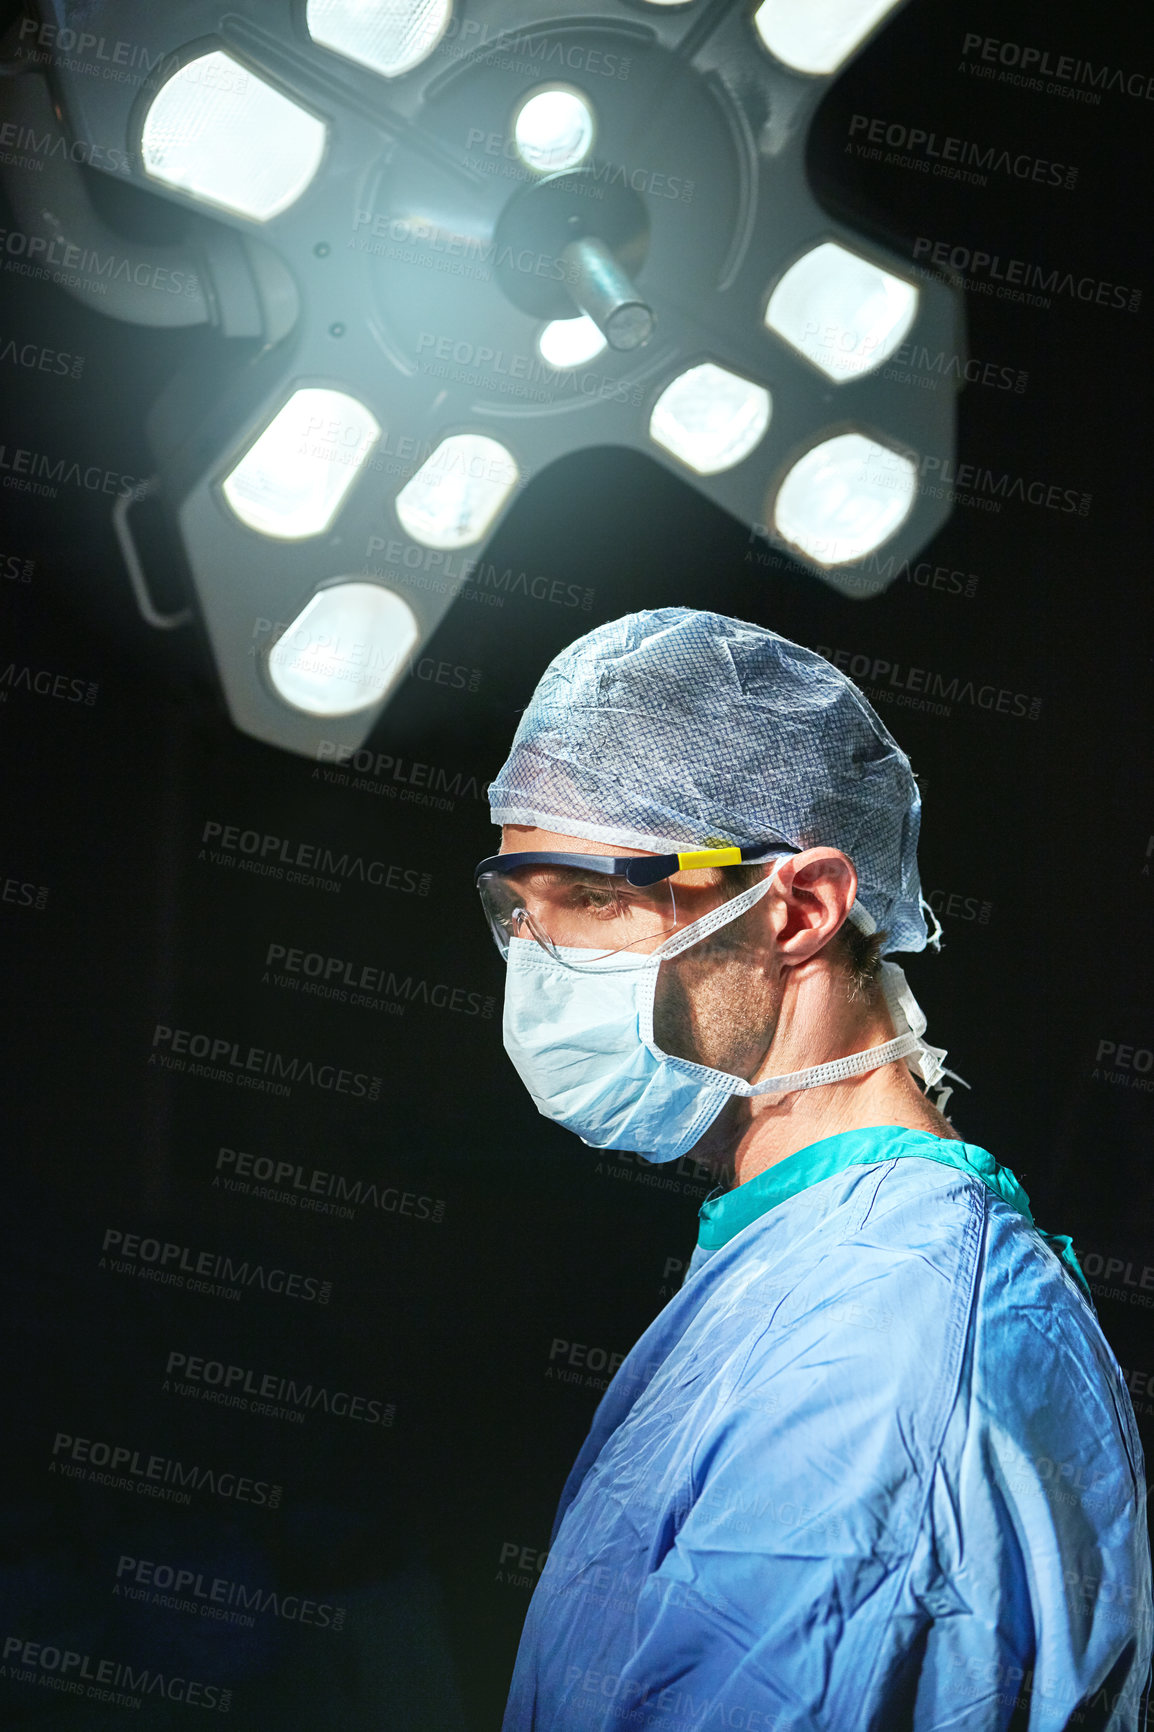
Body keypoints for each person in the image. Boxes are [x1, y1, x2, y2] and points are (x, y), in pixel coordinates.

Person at [476, 608, 1152, 1731]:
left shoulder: (881, 1340)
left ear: (798, 908)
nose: (538, 965)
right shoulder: (805, 1258)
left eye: (591, 896)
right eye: (514, 912)